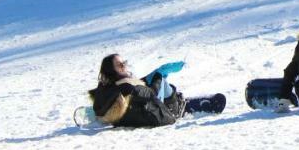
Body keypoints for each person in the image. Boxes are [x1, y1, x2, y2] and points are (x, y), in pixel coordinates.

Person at [88, 54, 223, 127]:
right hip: (159, 115)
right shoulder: (127, 87)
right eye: (120, 65)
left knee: (157, 79)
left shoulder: (110, 88)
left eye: (125, 63)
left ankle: (176, 99)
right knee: (162, 82)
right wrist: (159, 76)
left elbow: (141, 88)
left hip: (141, 113)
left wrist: (153, 75)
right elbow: (150, 93)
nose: (125, 66)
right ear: (112, 71)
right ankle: (180, 105)